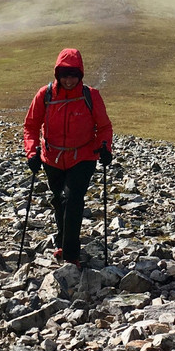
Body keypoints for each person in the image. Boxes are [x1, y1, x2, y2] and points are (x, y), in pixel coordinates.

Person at [23, 48, 113, 268]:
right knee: (59, 201)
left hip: (83, 157)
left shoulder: (90, 96)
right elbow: (31, 126)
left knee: (72, 200)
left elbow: (104, 127)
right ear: (57, 74)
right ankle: (64, 240)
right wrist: (32, 151)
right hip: (51, 158)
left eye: (73, 75)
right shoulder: (45, 95)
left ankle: (71, 256)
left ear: (80, 75)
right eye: (64, 75)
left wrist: (105, 148)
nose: (69, 80)